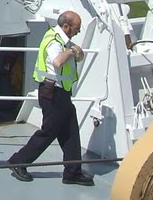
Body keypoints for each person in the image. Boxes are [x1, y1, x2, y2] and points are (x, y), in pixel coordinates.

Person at [8, 10, 94, 186]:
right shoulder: (55, 42)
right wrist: (72, 51)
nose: (78, 31)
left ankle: (72, 171)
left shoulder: (61, 39)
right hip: (52, 92)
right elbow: (57, 62)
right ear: (66, 26)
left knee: (70, 131)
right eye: (76, 28)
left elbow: (77, 57)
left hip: (60, 92)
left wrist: (76, 51)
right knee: (49, 131)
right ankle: (18, 161)